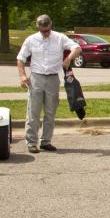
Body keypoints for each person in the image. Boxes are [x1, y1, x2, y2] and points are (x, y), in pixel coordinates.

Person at [16, 15, 81, 153]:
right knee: (33, 111)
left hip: (52, 78)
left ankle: (46, 141)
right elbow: (20, 58)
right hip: (36, 78)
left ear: (51, 25)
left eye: (47, 30)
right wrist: (22, 76)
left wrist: (69, 58)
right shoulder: (31, 39)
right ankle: (31, 142)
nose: (46, 33)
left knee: (50, 112)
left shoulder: (59, 37)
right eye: (42, 31)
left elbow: (77, 48)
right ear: (38, 27)